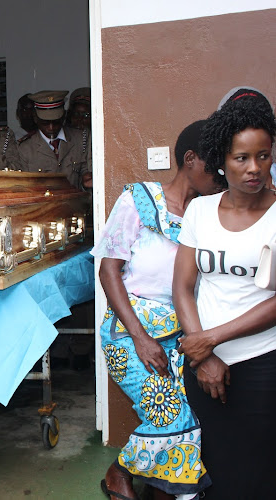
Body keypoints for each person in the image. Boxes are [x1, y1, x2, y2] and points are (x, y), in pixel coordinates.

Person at [93, 120, 217, 500]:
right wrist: (141, 337)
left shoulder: (210, 215)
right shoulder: (138, 200)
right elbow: (108, 270)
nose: (221, 176)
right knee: (170, 418)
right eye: (215, 167)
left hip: (181, 337)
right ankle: (121, 473)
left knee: (193, 419)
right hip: (129, 334)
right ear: (190, 159)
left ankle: (141, 480)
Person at [173, 97, 276, 500]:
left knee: (258, 467)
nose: (254, 168)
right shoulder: (200, 211)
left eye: (263, 156)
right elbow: (182, 286)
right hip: (204, 366)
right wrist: (203, 356)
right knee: (212, 463)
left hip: (262, 363)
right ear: (221, 160)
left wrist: (210, 339)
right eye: (242, 158)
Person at [18, 90, 92, 189]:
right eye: (45, 123)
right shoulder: (25, 149)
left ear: (64, 116)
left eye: (56, 122)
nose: (51, 128)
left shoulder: (81, 139)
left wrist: (86, 182)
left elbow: (86, 173)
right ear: (35, 118)